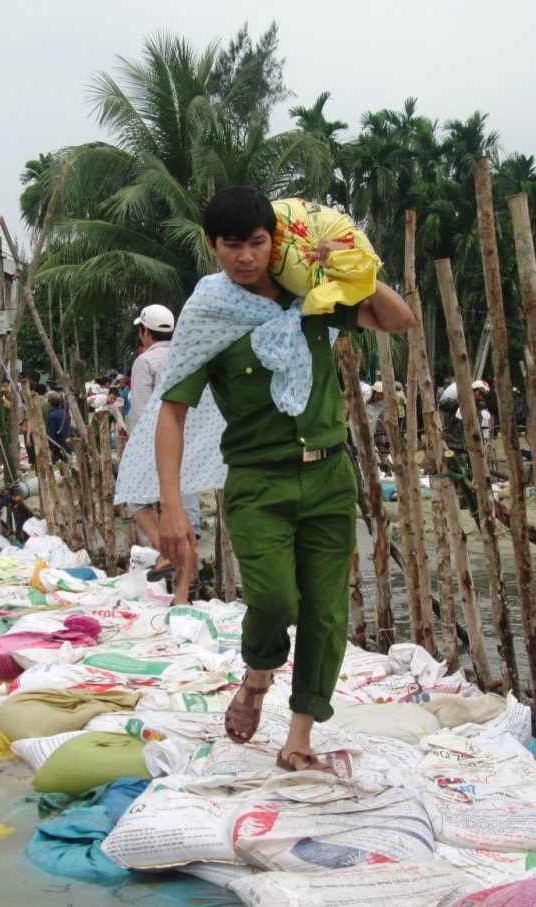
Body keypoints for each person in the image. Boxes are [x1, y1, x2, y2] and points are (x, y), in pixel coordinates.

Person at [155, 187, 414, 772]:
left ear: (276, 241)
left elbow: (400, 320)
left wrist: (349, 265)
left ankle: (298, 741)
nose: (245, 257)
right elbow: (172, 410)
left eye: (256, 242)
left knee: (325, 613)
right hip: (257, 484)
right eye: (231, 245)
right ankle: (256, 675)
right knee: (273, 600)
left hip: (329, 477)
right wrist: (172, 505)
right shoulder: (208, 313)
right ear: (211, 245)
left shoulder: (313, 294)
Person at [124, 302, 200, 603]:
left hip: (158, 446)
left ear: (145, 332)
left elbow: (142, 413)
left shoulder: (146, 362)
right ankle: (182, 596)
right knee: (189, 521)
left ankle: (166, 552)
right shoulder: (185, 356)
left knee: (137, 502)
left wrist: (135, 453)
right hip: (190, 446)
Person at [438, 378, 490, 525]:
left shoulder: (478, 408)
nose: (481, 397)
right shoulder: (458, 404)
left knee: (469, 474)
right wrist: (461, 399)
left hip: (469, 447)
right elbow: (443, 405)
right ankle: (458, 501)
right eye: (480, 393)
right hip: (455, 444)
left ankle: (466, 501)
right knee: (460, 472)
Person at [45, 390, 71, 462]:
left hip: (58, 445)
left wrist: (51, 447)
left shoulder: (52, 415)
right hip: (67, 443)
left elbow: (51, 432)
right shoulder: (66, 414)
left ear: (49, 403)